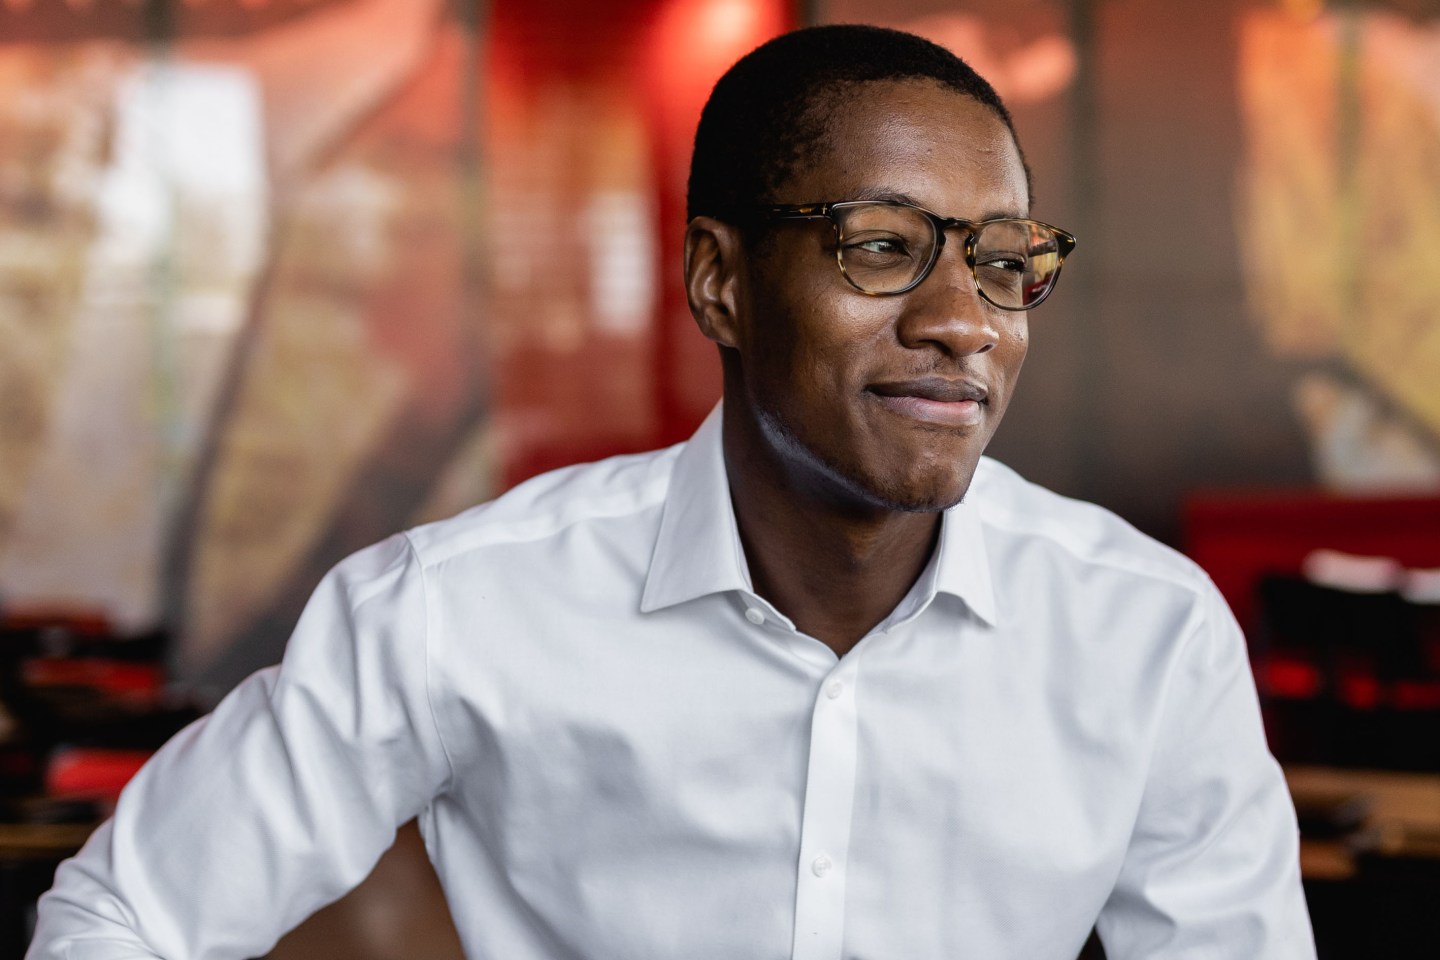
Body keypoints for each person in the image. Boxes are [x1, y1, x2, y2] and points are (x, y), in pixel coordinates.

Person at [28, 24, 1315, 960]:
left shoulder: (1143, 632)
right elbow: (120, 920)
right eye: (882, 248)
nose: (962, 322)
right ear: (721, 284)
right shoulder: (460, 610)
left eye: (999, 261)